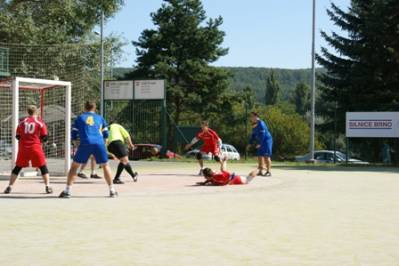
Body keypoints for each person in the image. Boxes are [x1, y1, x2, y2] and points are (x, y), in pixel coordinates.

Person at [59, 101, 117, 198]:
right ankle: (112, 191)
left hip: (85, 142)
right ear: (94, 108)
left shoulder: (80, 118)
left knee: (74, 166)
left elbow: (74, 134)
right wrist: (103, 143)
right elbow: (106, 134)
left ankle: (67, 191)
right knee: (105, 165)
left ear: (84, 107)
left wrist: (76, 144)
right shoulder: (100, 118)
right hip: (99, 142)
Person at [3, 105, 53, 194]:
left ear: (28, 112)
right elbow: (45, 137)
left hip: (23, 148)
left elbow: (17, 136)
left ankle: (9, 187)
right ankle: (48, 186)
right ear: (36, 112)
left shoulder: (22, 122)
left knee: (17, 167)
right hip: (35, 147)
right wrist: (38, 141)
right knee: (43, 167)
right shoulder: (40, 122)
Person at [247, 112, 273, 176]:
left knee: (266, 156)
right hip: (260, 141)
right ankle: (260, 171)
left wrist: (259, 143)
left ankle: (268, 171)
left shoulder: (261, 123)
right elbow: (253, 135)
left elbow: (263, 134)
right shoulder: (253, 124)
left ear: (256, 117)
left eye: (252, 116)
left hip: (266, 141)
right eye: (250, 117)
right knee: (259, 155)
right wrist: (249, 143)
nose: (251, 118)